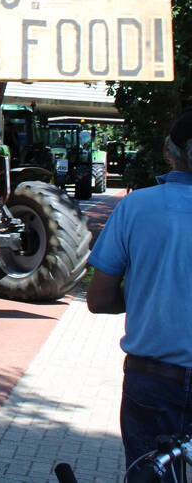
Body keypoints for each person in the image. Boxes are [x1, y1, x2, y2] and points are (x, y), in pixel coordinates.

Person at [87, 109, 192, 472]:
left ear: (169, 150)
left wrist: (145, 297)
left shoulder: (135, 207)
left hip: (154, 380)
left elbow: (99, 300)